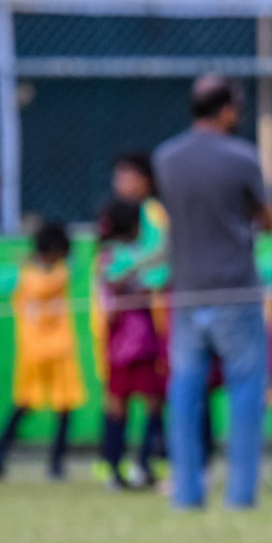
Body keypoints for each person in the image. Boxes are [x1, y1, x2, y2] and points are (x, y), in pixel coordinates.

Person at [152, 76, 272, 510]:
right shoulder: (242, 157)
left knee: (184, 391)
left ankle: (187, 493)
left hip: (185, 291)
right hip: (235, 291)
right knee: (245, 391)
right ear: (225, 109)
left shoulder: (164, 157)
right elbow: (267, 217)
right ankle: (240, 495)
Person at [0, 222, 83, 481]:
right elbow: (74, 264)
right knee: (61, 407)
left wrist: (27, 260)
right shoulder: (62, 273)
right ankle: (56, 463)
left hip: (35, 350)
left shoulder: (21, 275)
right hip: (58, 348)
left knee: (26, 404)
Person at [96, 198, 167, 491]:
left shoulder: (127, 255)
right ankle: (121, 467)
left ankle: (137, 466)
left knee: (140, 401)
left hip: (133, 340)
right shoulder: (116, 256)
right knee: (129, 402)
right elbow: (122, 283)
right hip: (131, 339)